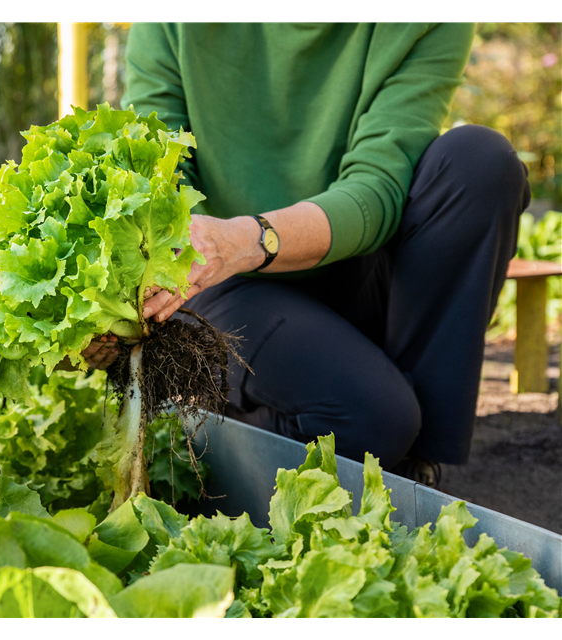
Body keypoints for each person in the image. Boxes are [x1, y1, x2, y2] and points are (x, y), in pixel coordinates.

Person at [82, 23, 531, 487]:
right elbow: (158, 167)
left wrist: (252, 238)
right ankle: (188, 442)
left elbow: (378, 184)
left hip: (341, 258)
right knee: (373, 419)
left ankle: (413, 467)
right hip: (217, 277)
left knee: (480, 163)